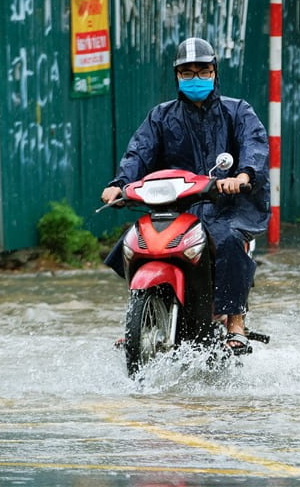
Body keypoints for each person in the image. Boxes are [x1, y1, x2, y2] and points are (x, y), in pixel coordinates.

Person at [100, 37, 270, 355]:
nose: (195, 78)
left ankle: (235, 322)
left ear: (215, 73)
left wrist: (242, 176)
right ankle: (142, 314)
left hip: (227, 205)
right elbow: (139, 152)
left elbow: (255, 146)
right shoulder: (161, 117)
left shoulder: (238, 111)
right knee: (134, 242)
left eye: (202, 71)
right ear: (177, 76)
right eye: (187, 72)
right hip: (178, 205)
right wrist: (120, 183)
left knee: (231, 239)